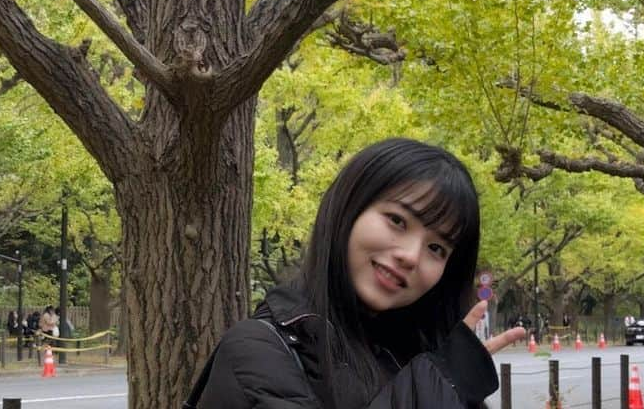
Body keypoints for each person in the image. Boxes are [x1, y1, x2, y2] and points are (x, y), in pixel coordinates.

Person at [185, 137, 526, 409]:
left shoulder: (421, 355)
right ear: (349, 209)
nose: (410, 256)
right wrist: (443, 381)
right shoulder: (257, 350)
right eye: (397, 221)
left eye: (437, 248)